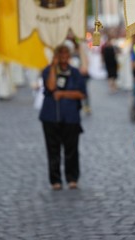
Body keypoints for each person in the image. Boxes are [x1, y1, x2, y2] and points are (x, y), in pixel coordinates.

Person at [39, 44, 86, 190]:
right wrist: (53, 66)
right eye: (61, 55)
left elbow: (81, 93)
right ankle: (55, 180)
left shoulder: (75, 73)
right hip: (50, 116)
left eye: (66, 55)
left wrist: (64, 94)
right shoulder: (48, 71)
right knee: (53, 150)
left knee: (71, 149)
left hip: (71, 117)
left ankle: (72, 178)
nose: (64, 58)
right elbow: (51, 87)